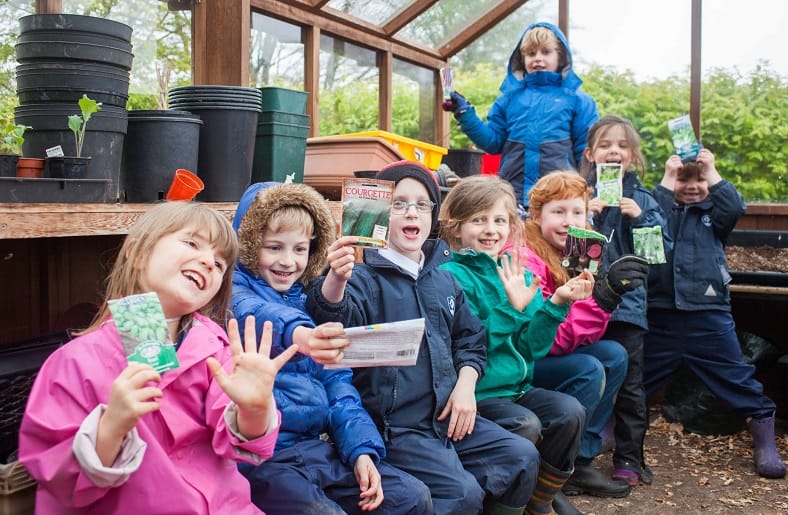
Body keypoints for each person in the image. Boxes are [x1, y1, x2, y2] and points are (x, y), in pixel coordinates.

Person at [18, 202, 298, 514]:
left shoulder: (217, 349)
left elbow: (240, 442)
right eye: (192, 243)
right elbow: (56, 475)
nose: (208, 262)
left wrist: (255, 409)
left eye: (220, 264)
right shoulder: (74, 362)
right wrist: (111, 428)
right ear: (137, 254)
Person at [306, 160, 540, 515]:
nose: (410, 213)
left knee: (521, 456)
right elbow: (331, 324)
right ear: (380, 213)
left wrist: (466, 384)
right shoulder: (361, 277)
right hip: (397, 428)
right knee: (462, 495)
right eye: (398, 204)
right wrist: (335, 280)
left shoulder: (443, 278)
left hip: (448, 417)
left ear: (433, 216)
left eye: (421, 204)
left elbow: (471, 340)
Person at [230, 181, 433, 514]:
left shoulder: (304, 300)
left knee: (410, 496)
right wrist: (303, 335)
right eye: (274, 247)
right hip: (263, 460)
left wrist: (361, 451)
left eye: (299, 249)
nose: (288, 261)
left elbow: (339, 386)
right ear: (250, 245)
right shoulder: (233, 294)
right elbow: (256, 313)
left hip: (315, 449)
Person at [437, 174, 591, 515]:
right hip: (479, 392)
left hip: (516, 387)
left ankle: (540, 501)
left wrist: (556, 304)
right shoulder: (451, 276)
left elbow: (532, 347)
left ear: (510, 226)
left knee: (570, 413)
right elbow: (470, 342)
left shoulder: (516, 271)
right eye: (478, 220)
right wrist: (511, 307)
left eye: (499, 220)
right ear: (456, 227)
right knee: (526, 424)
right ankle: (506, 502)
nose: (490, 229)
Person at [645, 149, 786, 479]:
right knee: (637, 376)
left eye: (700, 179)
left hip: (708, 314)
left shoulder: (715, 217)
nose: (692, 186)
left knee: (735, 375)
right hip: (661, 313)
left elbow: (735, 205)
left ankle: (764, 439)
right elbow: (649, 220)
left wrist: (712, 169)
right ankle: (610, 431)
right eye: (684, 179)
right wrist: (668, 177)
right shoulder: (661, 211)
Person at [520, 171, 650, 499]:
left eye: (577, 212)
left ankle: (581, 461)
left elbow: (585, 337)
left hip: (548, 353)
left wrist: (603, 292)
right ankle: (553, 467)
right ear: (536, 216)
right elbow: (546, 339)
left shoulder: (581, 250)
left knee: (615, 356)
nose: (569, 221)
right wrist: (603, 298)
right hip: (521, 360)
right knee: (589, 369)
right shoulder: (527, 256)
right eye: (558, 212)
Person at [580, 114, 669, 487]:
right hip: (582, 307)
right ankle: (577, 451)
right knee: (589, 377)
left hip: (626, 311)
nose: (613, 150)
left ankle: (630, 457)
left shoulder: (645, 200)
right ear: (590, 154)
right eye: (605, 145)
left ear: (632, 156)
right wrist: (585, 217)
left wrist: (642, 218)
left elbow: (658, 265)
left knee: (632, 387)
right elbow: (568, 256)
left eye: (621, 145)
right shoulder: (580, 197)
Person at [443, 21, 598, 210]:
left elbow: (586, 152)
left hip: (560, 196)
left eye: (546, 52)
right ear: (521, 58)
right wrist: (464, 113)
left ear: (561, 57)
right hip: (513, 195)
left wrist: (587, 194)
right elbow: (492, 142)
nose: (538, 58)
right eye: (531, 53)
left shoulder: (577, 100)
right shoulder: (509, 99)